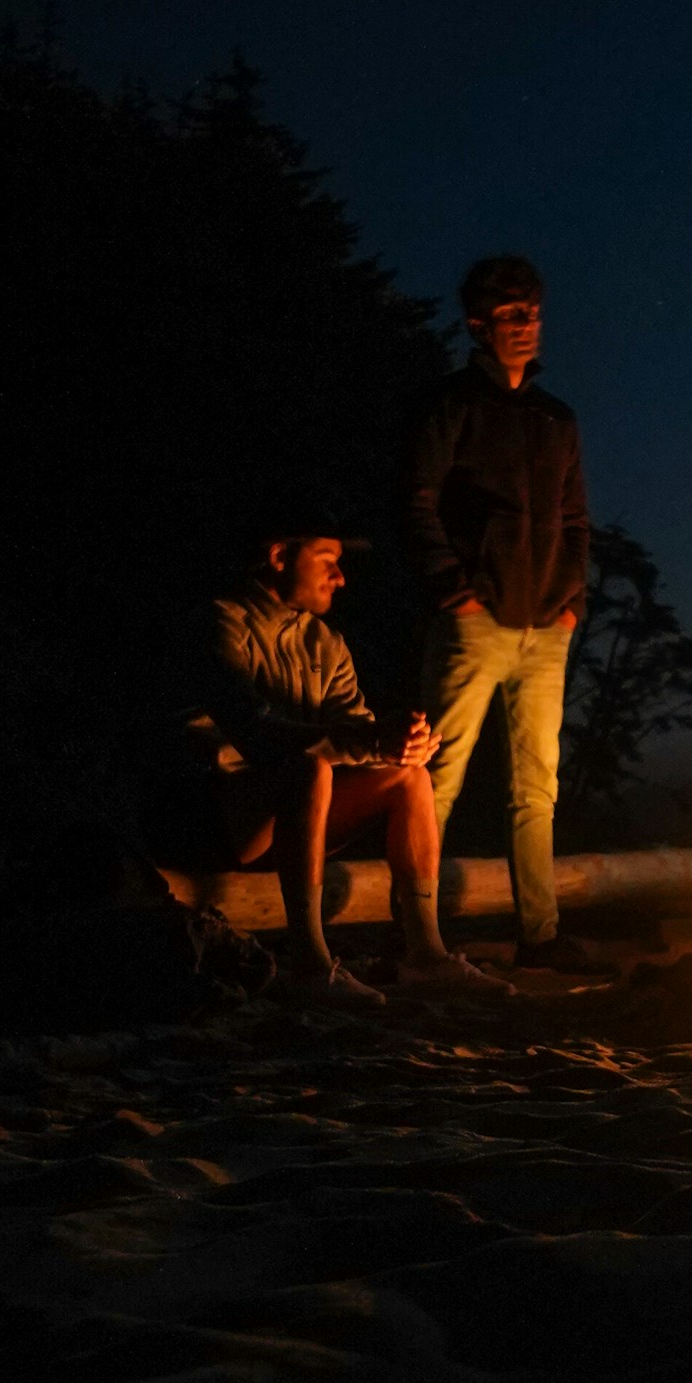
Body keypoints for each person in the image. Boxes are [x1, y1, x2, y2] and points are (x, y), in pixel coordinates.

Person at [170, 522, 506, 1002]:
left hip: (299, 809)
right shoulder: (223, 623)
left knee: (408, 777)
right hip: (219, 816)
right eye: (326, 560)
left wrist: (399, 744)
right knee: (308, 767)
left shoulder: (324, 643)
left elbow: (357, 733)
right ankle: (310, 963)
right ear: (281, 555)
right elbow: (256, 734)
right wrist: (368, 740)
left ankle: (427, 956)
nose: (340, 577)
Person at [404, 254, 594, 971]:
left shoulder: (556, 418)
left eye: (535, 313)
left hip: (547, 625)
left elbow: (576, 520)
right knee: (434, 779)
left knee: (535, 787)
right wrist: (455, 587)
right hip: (475, 620)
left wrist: (570, 602)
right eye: (514, 315)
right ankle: (416, 934)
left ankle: (539, 937)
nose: (529, 326)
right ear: (479, 324)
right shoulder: (453, 405)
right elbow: (417, 500)